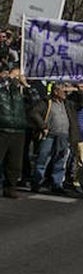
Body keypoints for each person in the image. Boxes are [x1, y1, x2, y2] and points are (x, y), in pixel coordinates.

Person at [0, 59, 28, 197]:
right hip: (3, 128)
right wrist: (10, 78)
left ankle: (10, 187)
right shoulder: (2, 87)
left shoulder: (20, 90)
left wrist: (26, 85)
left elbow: (35, 101)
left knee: (15, 162)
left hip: (18, 130)